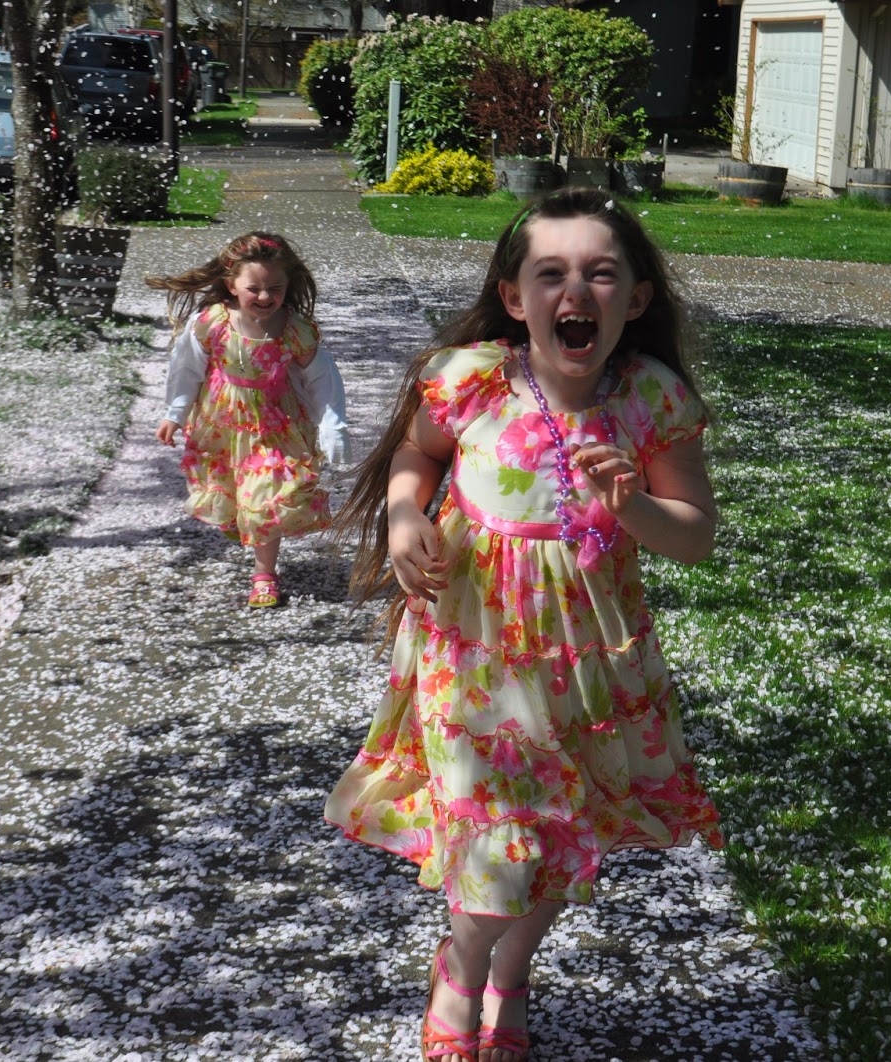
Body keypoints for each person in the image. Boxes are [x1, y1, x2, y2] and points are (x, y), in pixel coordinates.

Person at [325, 187, 724, 1062]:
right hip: (476, 653)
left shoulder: (651, 400)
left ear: (636, 300)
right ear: (515, 297)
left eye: (600, 274)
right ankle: (463, 972)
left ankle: (510, 975)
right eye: (550, 274)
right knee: (495, 840)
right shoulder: (471, 381)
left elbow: (694, 537)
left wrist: (631, 506)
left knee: (559, 836)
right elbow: (418, 452)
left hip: (589, 662)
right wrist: (404, 513)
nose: (574, 291)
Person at [149, 231, 348, 608]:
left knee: (266, 500)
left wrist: (332, 426)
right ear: (231, 285)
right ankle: (235, 520)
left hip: (274, 428)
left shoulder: (295, 330)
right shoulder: (212, 323)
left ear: (288, 285)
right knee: (227, 491)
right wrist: (174, 413)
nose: (265, 297)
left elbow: (322, 379)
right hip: (221, 426)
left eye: (275, 288)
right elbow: (186, 370)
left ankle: (264, 576)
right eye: (253, 288)